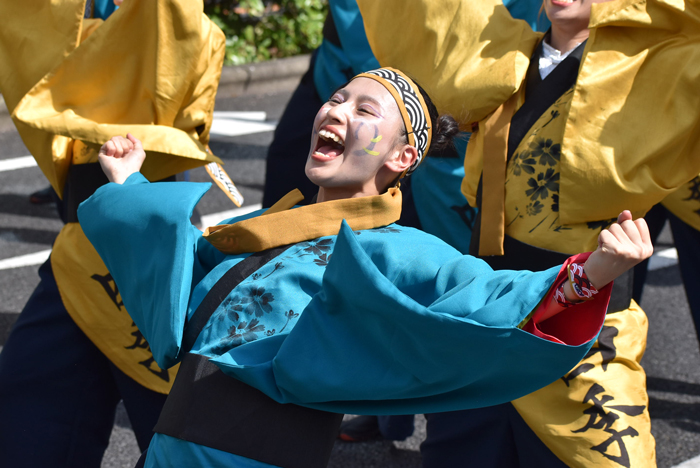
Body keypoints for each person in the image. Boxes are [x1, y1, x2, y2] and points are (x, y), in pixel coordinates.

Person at [79, 67, 651, 468]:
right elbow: (180, 276)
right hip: (171, 447)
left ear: (402, 158)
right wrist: (129, 183)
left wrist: (597, 268)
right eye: (336, 98)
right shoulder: (270, 224)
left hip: (256, 453)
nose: (335, 110)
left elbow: (489, 296)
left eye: (363, 109)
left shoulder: (393, 248)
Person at [355, 0, 700, 466]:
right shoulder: (499, 55)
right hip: (485, 306)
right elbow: (432, 17)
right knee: (460, 450)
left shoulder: (661, 69)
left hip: (583, 316)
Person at [0, 0, 225, 466]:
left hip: (146, 254)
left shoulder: (177, 21)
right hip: (80, 255)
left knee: (181, 441)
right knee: (27, 423)